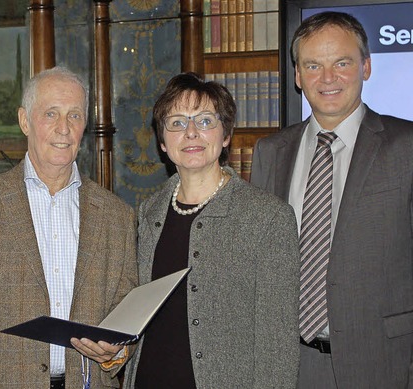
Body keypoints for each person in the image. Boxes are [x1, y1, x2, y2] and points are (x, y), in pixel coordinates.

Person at [251, 11, 413, 388]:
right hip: (289, 364)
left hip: (384, 364)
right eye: (313, 65)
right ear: (297, 76)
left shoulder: (406, 147)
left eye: (342, 63)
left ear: (366, 67)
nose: (328, 78)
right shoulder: (270, 152)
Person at [0, 66, 138, 389]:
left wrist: (116, 354)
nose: (63, 129)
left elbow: (127, 319)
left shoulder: (117, 217)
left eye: (75, 115)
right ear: (25, 121)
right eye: (51, 114)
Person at [122, 72, 300, 388]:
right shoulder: (150, 212)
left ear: (226, 134)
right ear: (163, 142)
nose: (191, 133)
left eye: (205, 121)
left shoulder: (268, 218)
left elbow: (278, 344)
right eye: (176, 123)